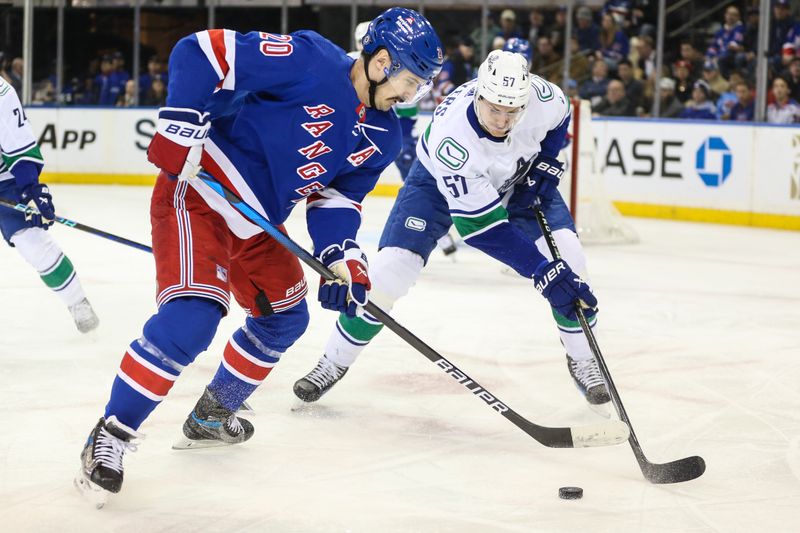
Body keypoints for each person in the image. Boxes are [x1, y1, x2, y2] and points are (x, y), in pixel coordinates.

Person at [74, 7, 443, 504]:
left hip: (258, 224)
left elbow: (336, 201)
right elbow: (201, 52)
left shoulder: (385, 134)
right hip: (200, 197)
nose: (411, 94)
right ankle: (111, 435)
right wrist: (182, 123)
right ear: (380, 62)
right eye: (409, 81)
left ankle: (212, 414)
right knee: (192, 318)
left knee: (284, 320)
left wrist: (342, 256)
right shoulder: (311, 59)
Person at [293, 50, 607, 417]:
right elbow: (481, 229)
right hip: (435, 187)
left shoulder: (542, 96)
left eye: (512, 112)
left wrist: (548, 161)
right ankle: (334, 361)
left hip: (520, 180)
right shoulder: (452, 140)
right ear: (478, 95)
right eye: (494, 110)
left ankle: (584, 360)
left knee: (571, 260)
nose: (503, 121)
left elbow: (559, 119)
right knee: (389, 275)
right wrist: (540, 272)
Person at [0, 78, 99, 333]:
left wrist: (30, 187)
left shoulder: (1, 92)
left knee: (32, 242)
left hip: (4, 180)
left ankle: (77, 301)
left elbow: (17, 144)